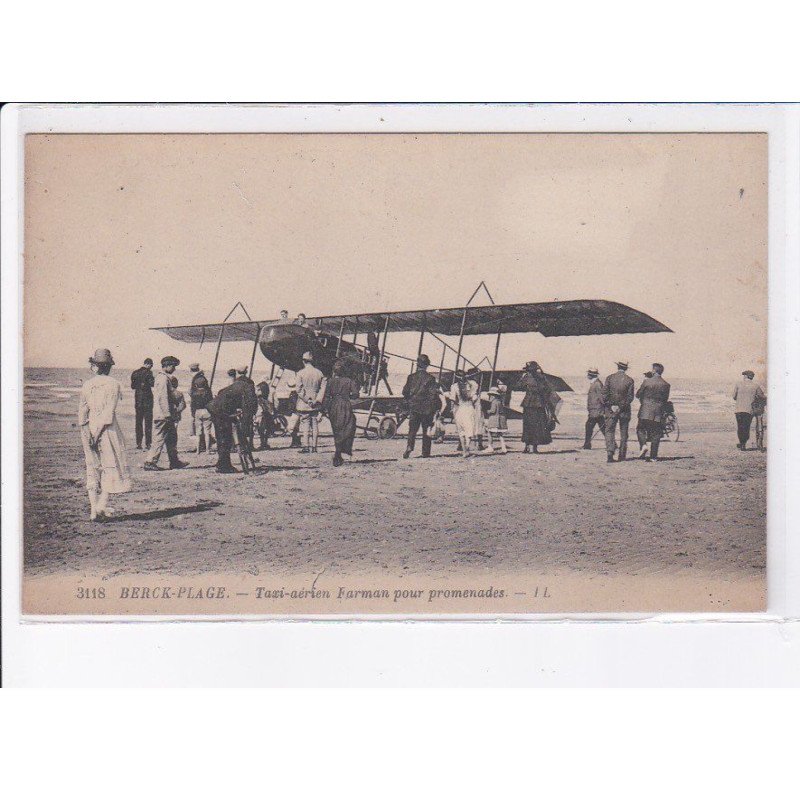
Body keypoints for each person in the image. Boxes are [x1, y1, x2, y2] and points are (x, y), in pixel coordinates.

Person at [79, 348, 132, 521]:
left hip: (89, 429)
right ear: (109, 367)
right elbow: (108, 414)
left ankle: (94, 510)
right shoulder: (113, 384)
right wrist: (98, 433)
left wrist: (88, 432)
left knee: (92, 468)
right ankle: (101, 504)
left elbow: (82, 413)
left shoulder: (87, 384)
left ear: (94, 366)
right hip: (107, 430)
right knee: (110, 466)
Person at [144, 356, 188, 470]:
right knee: (159, 437)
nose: (174, 368)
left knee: (172, 438)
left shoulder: (162, 378)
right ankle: (150, 462)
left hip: (164, 414)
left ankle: (174, 461)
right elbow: (162, 398)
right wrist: (167, 414)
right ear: (167, 366)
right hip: (163, 415)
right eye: (173, 366)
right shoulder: (163, 379)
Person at [208, 373, 252, 473]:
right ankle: (224, 466)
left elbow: (222, 394)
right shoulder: (248, 387)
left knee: (222, 438)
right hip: (221, 412)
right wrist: (246, 427)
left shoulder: (233, 386)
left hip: (215, 410)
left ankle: (222, 463)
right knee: (225, 439)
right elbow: (249, 408)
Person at [401, 354, 442, 459]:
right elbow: (433, 395)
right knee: (426, 431)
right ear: (427, 365)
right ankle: (425, 452)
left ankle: (409, 446)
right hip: (426, 409)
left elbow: (404, 392)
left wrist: (410, 401)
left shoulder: (411, 377)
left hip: (414, 407)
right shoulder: (431, 378)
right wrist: (435, 408)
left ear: (417, 364)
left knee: (412, 430)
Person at [322, 359, 360, 466]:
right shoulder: (349, 381)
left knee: (336, 428)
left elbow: (327, 396)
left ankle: (338, 452)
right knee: (349, 426)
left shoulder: (330, 381)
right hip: (345, 405)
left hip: (333, 406)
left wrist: (324, 408)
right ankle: (342, 450)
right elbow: (356, 394)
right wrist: (348, 396)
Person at [516, 361, 555, 454]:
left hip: (528, 404)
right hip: (539, 404)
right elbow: (548, 389)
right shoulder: (541, 377)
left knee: (527, 426)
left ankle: (527, 447)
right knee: (537, 426)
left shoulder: (527, 377)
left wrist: (522, 379)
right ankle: (534, 448)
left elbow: (518, 386)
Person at [636, 363, 671, 461]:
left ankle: (643, 445)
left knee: (640, 429)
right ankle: (653, 457)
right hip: (658, 412)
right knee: (656, 433)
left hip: (645, 410)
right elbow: (665, 399)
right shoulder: (666, 384)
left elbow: (638, 394)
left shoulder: (647, 382)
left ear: (654, 371)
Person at [602, 360, 635, 463]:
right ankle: (622, 455)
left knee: (609, 431)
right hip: (624, 410)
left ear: (618, 367)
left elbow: (604, 395)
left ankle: (610, 454)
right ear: (625, 368)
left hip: (611, 410)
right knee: (624, 433)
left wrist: (611, 405)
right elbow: (630, 398)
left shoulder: (609, 378)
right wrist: (620, 406)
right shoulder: (630, 380)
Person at [295, 351, 327, 453]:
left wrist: (307, 400)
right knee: (315, 424)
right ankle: (314, 447)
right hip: (316, 403)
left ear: (304, 361)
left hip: (304, 404)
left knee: (305, 424)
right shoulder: (319, 373)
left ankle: (306, 446)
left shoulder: (300, 373)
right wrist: (317, 400)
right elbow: (323, 389)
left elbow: (299, 390)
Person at [449, 370, 480, 456]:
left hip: (460, 409)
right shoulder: (472, 385)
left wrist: (455, 406)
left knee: (461, 430)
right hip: (469, 408)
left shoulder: (454, 386)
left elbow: (453, 399)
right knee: (469, 429)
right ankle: (467, 446)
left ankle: (464, 450)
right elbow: (475, 398)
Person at [733, 370, 766, 450]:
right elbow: (762, 396)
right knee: (746, 427)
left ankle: (742, 443)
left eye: (744, 375)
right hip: (749, 410)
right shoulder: (756, 386)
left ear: (745, 376)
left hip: (738, 410)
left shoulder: (738, 384)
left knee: (740, 427)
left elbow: (734, 397)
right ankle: (743, 443)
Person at [130, 357, 155, 449]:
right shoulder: (149, 373)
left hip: (138, 400)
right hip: (147, 400)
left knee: (138, 422)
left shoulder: (135, 373)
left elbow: (132, 386)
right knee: (148, 423)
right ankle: (148, 444)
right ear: (149, 364)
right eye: (151, 365)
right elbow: (152, 384)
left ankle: (138, 443)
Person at [189, 363, 214, 452]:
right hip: (207, 411)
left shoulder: (194, 392)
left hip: (198, 411)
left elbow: (193, 403)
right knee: (207, 431)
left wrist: (193, 412)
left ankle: (198, 450)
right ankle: (207, 449)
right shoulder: (207, 391)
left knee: (198, 432)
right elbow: (210, 401)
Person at [235, 365, 258, 450]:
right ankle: (250, 445)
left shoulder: (236, 381)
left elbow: (235, 395)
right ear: (246, 372)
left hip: (239, 406)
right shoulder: (250, 381)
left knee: (239, 426)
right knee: (250, 425)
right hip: (248, 406)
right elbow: (253, 396)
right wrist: (254, 407)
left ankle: (241, 445)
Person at [582, 368, 605, 449]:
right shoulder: (595, 383)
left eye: (588, 374)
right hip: (595, 410)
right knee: (603, 428)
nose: (587, 375)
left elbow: (602, 397)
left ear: (591, 375)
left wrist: (604, 407)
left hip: (596, 410)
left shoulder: (597, 384)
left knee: (589, 426)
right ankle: (612, 444)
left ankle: (587, 445)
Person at [484, 386, 508, 454]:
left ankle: (490, 447)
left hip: (494, 420)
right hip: (500, 420)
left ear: (494, 396)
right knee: (500, 434)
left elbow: (493, 411)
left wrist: (488, 411)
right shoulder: (500, 402)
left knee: (489, 433)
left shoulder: (494, 402)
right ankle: (503, 447)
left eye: (491, 395)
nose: (490, 397)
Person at [256, 380, 275, 450]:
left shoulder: (259, 399)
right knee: (267, 429)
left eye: (258, 390)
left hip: (261, 416)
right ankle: (265, 443)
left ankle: (262, 443)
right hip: (268, 415)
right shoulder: (267, 400)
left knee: (261, 430)